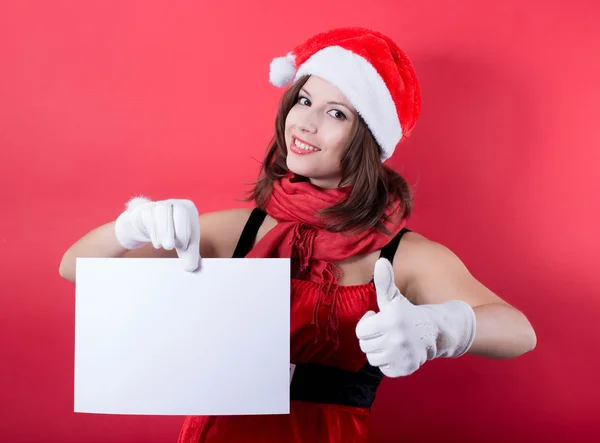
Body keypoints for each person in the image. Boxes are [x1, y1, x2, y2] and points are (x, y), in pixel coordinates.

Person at [59, 27, 537, 442]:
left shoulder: (402, 254)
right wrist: (132, 225)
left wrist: (442, 329)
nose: (305, 121)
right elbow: (75, 269)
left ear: (370, 139)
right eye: (304, 100)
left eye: (337, 113)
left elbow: (520, 332)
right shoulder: (239, 230)